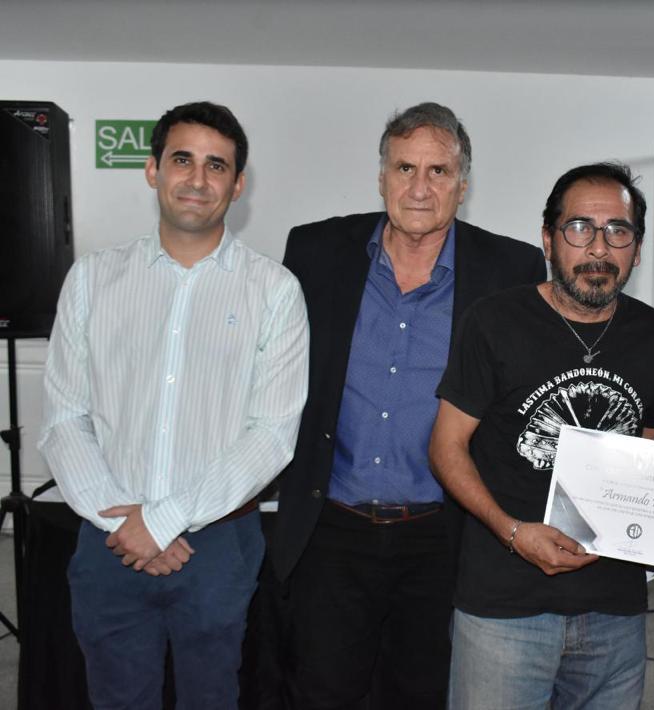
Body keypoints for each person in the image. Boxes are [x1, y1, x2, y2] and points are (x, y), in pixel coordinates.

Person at [430, 162, 654, 709]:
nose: (598, 247)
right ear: (548, 239)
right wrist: (512, 533)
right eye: (579, 228)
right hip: (506, 608)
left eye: (617, 231)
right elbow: (445, 447)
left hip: (614, 611)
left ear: (637, 249)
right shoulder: (494, 322)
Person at [270, 102, 547, 709]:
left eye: (438, 171)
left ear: (463, 185)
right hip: (330, 528)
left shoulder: (512, 269)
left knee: (423, 693)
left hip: (444, 536)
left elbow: (531, 397)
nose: (420, 188)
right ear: (382, 178)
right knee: (320, 692)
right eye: (404, 168)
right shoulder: (316, 252)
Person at [38, 101, 309, 709]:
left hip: (217, 545)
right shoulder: (91, 279)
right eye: (182, 159)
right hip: (108, 537)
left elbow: (271, 434)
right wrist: (125, 526)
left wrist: (161, 522)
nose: (198, 179)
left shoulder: (274, 291)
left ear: (238, 185)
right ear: (152, 169)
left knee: (210, 699)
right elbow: (63, 419)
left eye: (217, 166)